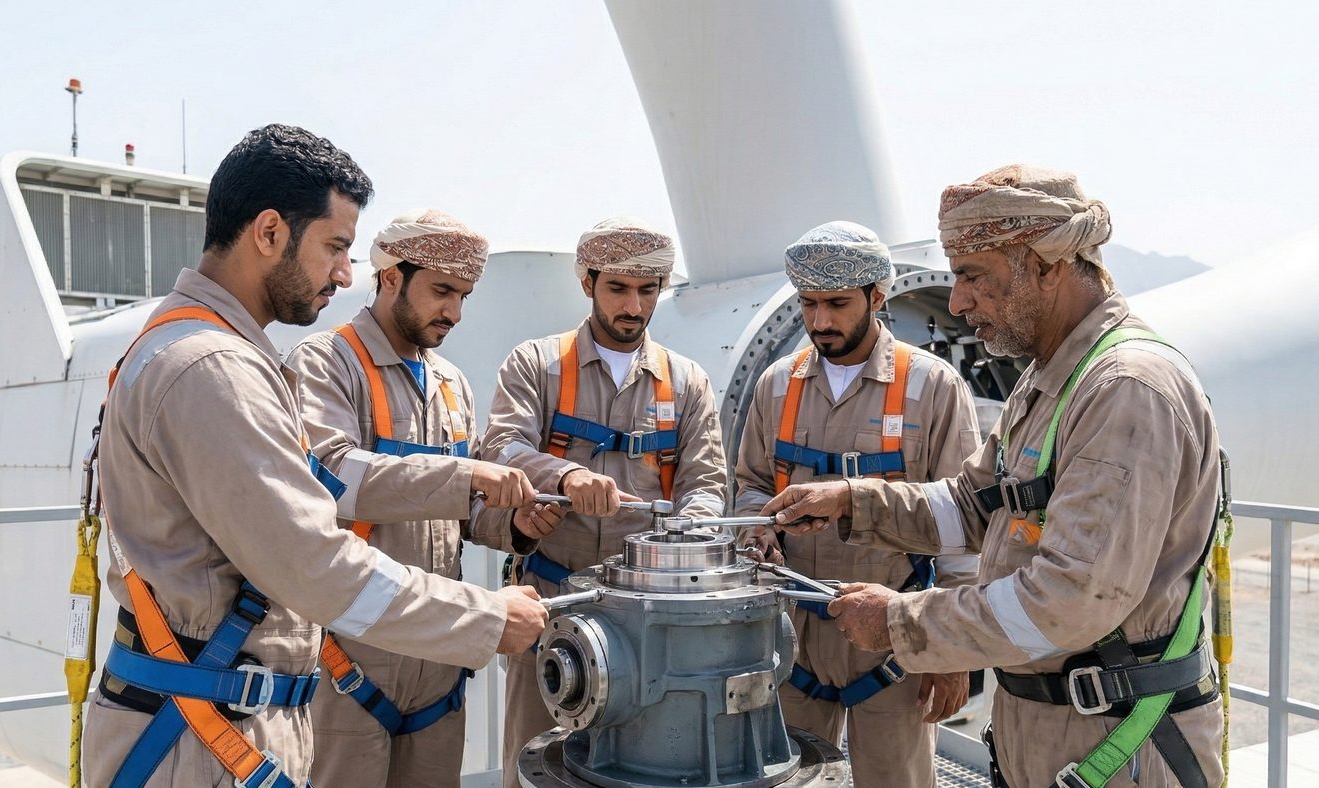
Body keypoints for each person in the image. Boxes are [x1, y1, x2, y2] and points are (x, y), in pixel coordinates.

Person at [83, 125, 548, 788]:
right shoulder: (214, 369)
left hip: (212, 725)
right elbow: (315, 565)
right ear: (270, 232)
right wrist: (488, 617)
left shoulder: (195, 350)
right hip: (201, 739)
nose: (344, 273)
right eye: (335, 247)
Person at [764, 165, 1223, 787]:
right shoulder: (1047, 383)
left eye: (973, 276)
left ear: (1046, 265)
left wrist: (903, 624)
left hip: (1116, 742)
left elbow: (1070, 598)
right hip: (1051, 729)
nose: (956, 302)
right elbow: (967, 506)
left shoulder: (1125, 392)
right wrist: (852, 502)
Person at [286, 209, 564, 787]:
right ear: (389, 277)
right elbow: (332, 476)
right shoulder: (325, 363)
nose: (454, 313)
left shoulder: (450, 383)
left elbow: (463, 515)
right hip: (353, 660)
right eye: (441, 291)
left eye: (463, 296)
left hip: (439, 659)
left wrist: (515, 526)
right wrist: (468, 475)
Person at [481, 217, 729, 787]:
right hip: (549, 604)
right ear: (588, 282)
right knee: (532, 764)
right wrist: (566, 475)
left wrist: (689, 536)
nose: (633, 305)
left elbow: (706, 484)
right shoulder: (537, 365)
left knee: (636, 765)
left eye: (647, 291)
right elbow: (500, 444)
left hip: (645, 617)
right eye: (617, 288)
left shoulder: (687, 382)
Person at [734, 220, 980, 785]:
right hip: (793, 640)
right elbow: (749, 483)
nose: (820, 321)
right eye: (809, 304)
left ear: (877, 295)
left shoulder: (933, 388)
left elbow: (965, 527)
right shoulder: (777, 386)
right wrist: (758, 527)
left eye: (837, 304)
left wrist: (950, 651)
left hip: (894, 639)